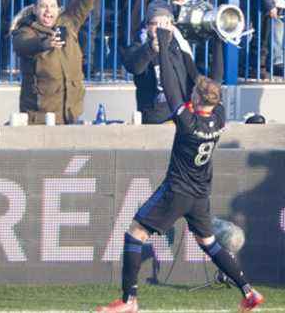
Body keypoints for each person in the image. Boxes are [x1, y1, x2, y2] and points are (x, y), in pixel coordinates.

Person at [96, 25, 265, 313]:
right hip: (200, 194)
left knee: (134, 234)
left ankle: (128, 301)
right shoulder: (220, 117)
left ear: (197, 99)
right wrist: (215, 40)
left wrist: (164, 40)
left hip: (177, 190)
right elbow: (211, 79)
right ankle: (248, 291)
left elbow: (174, 86)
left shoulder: (187, 123)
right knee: (208, 241)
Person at [11, 0, 101, 124]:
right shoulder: (25, 30)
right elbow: (22, 45)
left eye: (52, 6)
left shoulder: (69, 23)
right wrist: (44, 44)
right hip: (40, 115)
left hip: (71, 111)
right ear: (35, 10)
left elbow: (84, 1)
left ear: (59, 10)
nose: (48, 10)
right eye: (43, 6)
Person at [123, 0, 206, 124]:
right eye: (156, 24)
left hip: (184, 111)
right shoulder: (139, 45)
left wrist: (191, 3)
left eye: (166, 24)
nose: (161, 28)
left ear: (172, 25)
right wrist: (150, 49)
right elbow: (134, 66)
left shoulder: (181, 44)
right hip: (155, 115)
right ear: (147, 26)